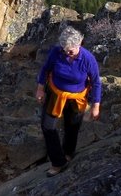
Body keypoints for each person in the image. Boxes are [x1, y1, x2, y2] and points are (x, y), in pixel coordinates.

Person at [35, 25, 102, 176]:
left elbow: (96, 82)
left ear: (79, 44)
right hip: (55, 93)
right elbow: (45, 69)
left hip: (77, 97)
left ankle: (68, 153)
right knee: (47, 126)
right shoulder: (56, 52)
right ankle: (58, 162)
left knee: (72, 127)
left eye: (70, 51)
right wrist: (40, 89)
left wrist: (95, 106)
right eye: (64, 49)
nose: (67, 53)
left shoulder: (87, 59)